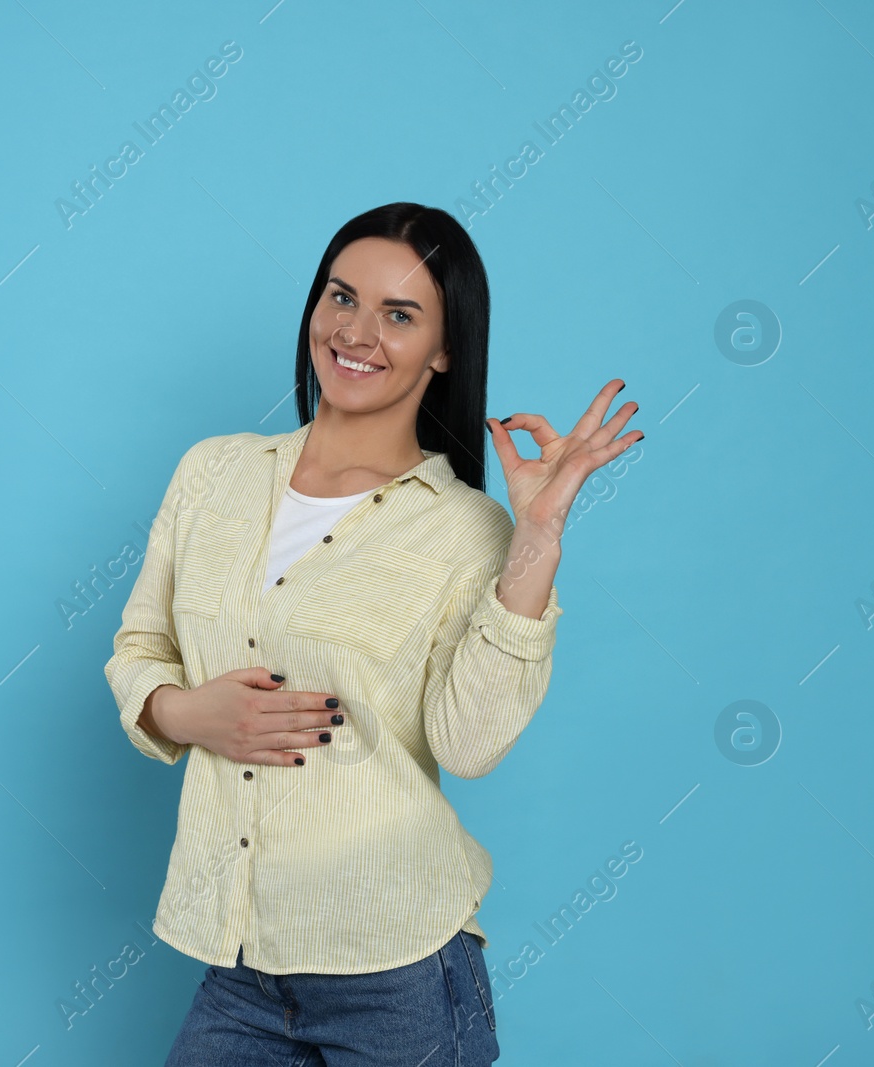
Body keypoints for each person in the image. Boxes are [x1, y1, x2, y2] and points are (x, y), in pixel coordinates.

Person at [103, 201, 642, 1065]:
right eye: (341, 297)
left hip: (400, 979)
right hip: (240, 967)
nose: (356, 331)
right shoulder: (212, 473)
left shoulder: (468, 530)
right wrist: (183, 714)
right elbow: (138, 651)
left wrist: (535, 543)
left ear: (445, 348)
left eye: (400, 314)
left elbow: (466, 745)